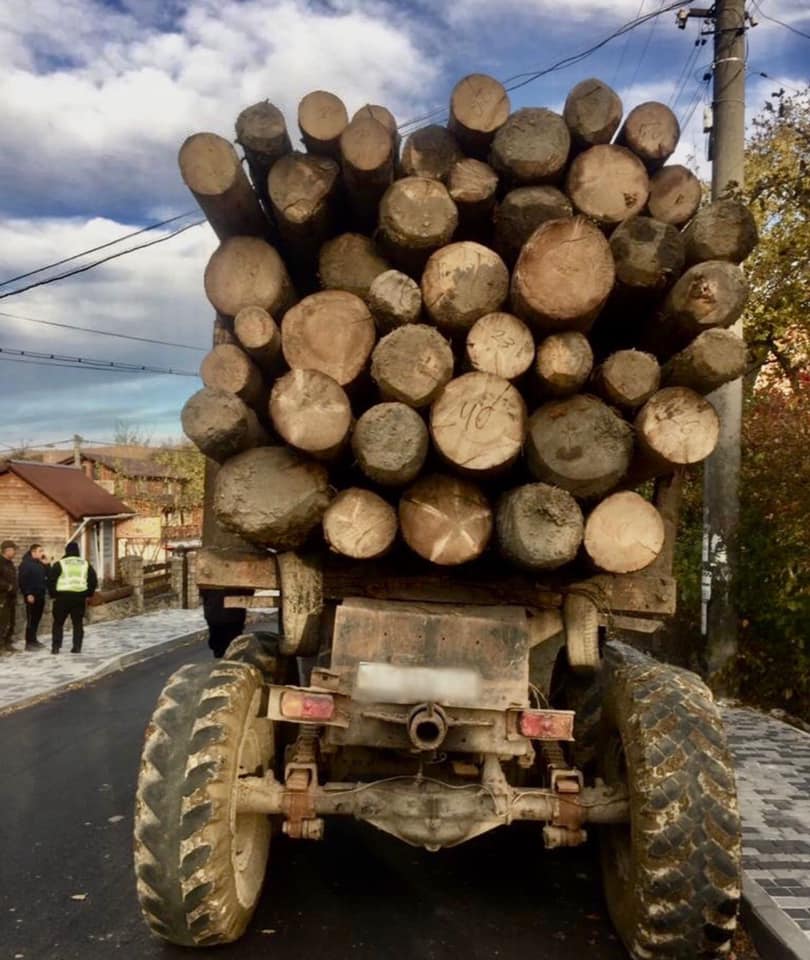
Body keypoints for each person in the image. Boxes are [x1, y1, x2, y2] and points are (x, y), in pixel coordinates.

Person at [48, 542, 98, 654]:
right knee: (77, 623)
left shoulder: (60, 564)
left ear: (66, 551)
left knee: (58, 623)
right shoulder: (85, 564)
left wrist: (54, 594)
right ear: (77, 551)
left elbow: (51, 580)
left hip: (62, 598)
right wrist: (87, 593)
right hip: (79, 598)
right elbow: (93, 581)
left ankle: (56, 647)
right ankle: (77, 647)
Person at [201, 588, 251, 658]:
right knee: (234, 646)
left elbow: (202, 591)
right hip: (233, 615)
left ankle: (220, 661)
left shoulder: (209, 578)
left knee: (218, 647)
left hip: (214, 613)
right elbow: (248, 591)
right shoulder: (237, 577)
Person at [18, 543, 48, 650]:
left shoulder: (39, 563)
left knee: (36, 619)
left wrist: (46, 564)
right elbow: (23, 580)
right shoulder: (26, 564)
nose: (42, 553)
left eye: (42, 551)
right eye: (40, 551)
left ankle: (34, 640)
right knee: (31, 619)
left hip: (40, 595)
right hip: (31, 596)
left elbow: (48, 575)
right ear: (33, 552)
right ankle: (29, 643)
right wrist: (28, 593)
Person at [0, 540, 17, 654]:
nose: (15, 552)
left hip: (11, 597)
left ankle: (7, 643)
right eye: (13, 549)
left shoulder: (10, 563)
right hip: (2, 597)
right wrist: (7, 587)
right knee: (2, 622)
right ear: (7, 550)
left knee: (10, 622)